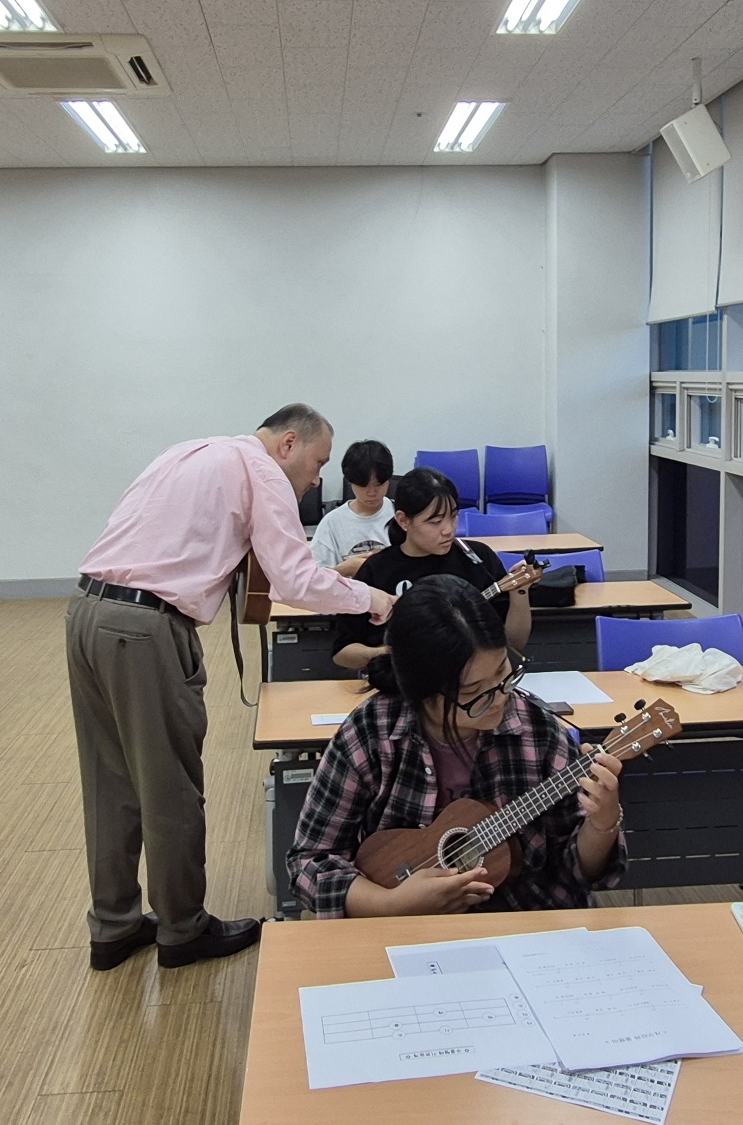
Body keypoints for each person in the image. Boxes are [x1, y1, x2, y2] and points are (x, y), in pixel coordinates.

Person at [68, 404, 395, 972]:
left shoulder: (189, 451)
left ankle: (114, 925)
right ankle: (182, 929)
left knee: (109, 781)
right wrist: (373, 599)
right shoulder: (262, 470)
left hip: (87, 612)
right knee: (169, 786)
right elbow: (293, 579)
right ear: (288, 443)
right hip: (146, 630)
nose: (316, 479)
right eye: (318, 463)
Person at [289, 575, 625, 917]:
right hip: (403, 929)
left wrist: (602, 823)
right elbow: (309, 861)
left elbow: (576, 873)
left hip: (523, 921)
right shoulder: (373, 731)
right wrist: (392, 904)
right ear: (420, 692)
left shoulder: (536, 729)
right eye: (473, 692)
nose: (499, 699)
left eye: (503, 673)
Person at [331, 465, 534, 672]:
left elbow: (514, 644)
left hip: (470, 680)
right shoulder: (377, 569)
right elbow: (342, 653)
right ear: (403, 520)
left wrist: (520, 593)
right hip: (402, 682)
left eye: (453, 516)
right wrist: (389, 655)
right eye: (435, 521)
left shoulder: (478, 558)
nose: (449, 529)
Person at [310, 439, 394, 578]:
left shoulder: (401, 515)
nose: (371, 492)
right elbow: (316, 578)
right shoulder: (332, 523)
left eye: (378, 484)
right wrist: (343, 570)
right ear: (350, 482)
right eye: (363, 486)